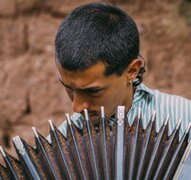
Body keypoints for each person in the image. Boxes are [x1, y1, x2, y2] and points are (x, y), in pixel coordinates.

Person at [54, 2, 191, 137]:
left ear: (132, 71)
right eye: (69, 88)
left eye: (93, 91)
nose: (76, 107)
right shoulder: (61, 144)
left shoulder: (184, 119)